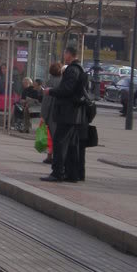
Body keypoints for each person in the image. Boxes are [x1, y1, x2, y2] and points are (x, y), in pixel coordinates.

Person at [41, 46, 88, 182]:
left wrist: (51, 91)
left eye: (65, 53)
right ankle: (72, 173)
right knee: (72, 144)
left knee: (59, 142)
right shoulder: (79, 69)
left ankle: (57, 172)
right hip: (75, 114)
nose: (64, 56)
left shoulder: (72, 70)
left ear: (69, 54)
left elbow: (66, 90)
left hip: (67, 113)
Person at [40, 62, 62, 165]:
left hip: (51, 113)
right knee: (58, 135)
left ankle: (50, 156)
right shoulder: (63, 81)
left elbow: (46, 101)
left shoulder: (50, 82)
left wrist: (43, 115)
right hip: (60, 112)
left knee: (51, 136)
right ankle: (58, 156)